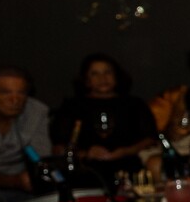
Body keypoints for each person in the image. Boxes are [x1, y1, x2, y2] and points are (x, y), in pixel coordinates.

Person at [51, 53, 157, 188]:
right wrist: (86, 153)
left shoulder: (134, 103)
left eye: (108, 72)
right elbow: (59, 147)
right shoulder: (72, 105)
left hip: (128, 164)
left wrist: (125, 151)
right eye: (95, 74)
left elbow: (150, 138)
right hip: (85, 168)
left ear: (117, 76)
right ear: (86, 80)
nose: (103, 78)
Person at [0, 66, 51, 202]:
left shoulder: (36, 112)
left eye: (21, 93)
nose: (15, 100)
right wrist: (13, 181)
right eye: (5, 92)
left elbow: (41, 158)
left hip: (23, 186)